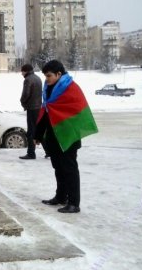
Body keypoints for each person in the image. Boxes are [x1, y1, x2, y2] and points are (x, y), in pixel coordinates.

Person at [34, 60, 98, 213]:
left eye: (49, 76)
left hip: (68, 136)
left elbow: (77, 112)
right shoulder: (48, 89)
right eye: (45, 76)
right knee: (58, 168)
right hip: (54, 136)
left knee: (69, 169)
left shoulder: (71, 89)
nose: (46, 79)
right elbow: (46, 112)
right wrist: (38, 134)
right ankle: (61, 197)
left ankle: (74, 203)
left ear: (59, 74)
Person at [19, 63, 43, 160]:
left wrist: (22, 102)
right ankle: (49, 151)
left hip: (32, 108)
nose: (21, 73)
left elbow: (26, 94)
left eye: (22, 71)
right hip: (38, 107)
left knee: (31, 131)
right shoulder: (38, 78)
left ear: (26, 71)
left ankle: (31, 153)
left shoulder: (28, 80)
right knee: (39, 129)